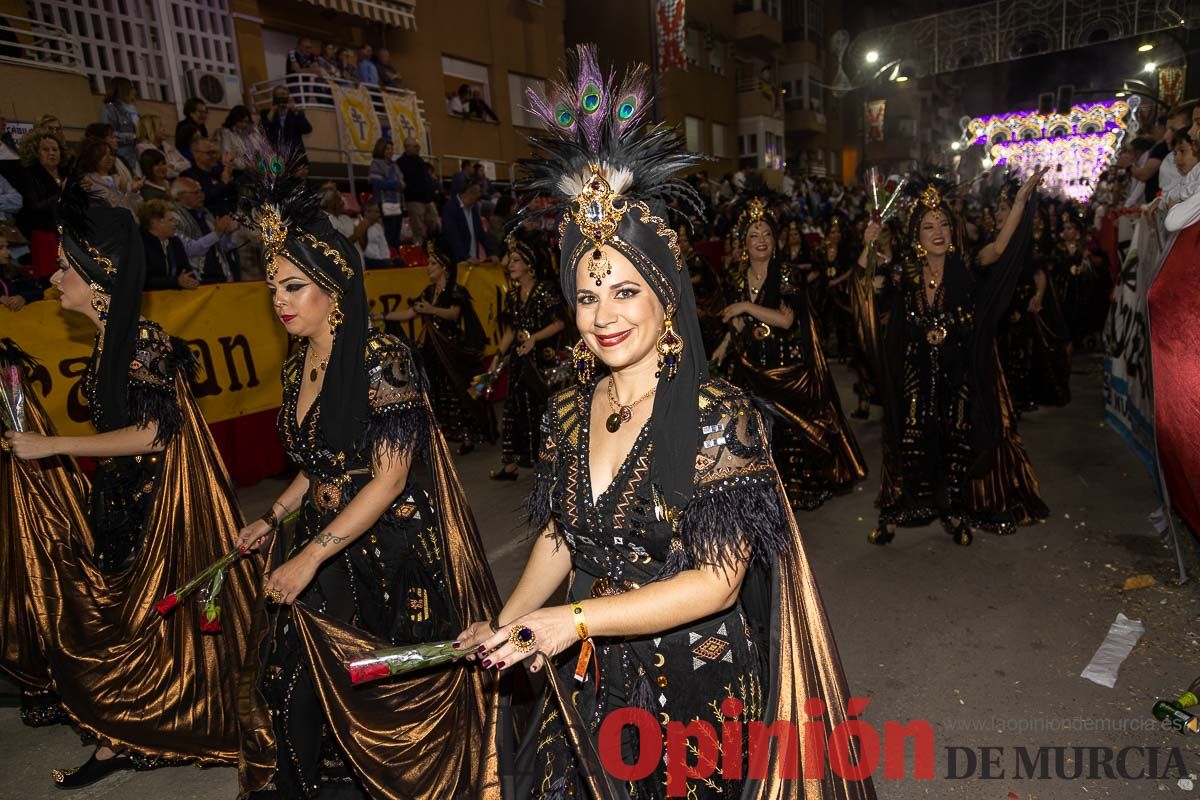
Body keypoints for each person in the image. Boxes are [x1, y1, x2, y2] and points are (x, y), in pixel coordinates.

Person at [454, 45, 878, 800]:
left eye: (624, 290)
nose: (604, 316)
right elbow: (560, 535)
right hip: (590, 683)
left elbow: (716, 584)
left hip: (694, 695)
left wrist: (570, 619)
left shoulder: (720, 415)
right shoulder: (566, 404)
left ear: (664, 294)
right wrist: (508, 620)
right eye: (586, 297)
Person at [233, 155, 502, 798]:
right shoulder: (297, 366)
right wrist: (273, 518)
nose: (280, 301)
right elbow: (318, 464)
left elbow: (385, 479)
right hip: (329, 537)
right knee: (295, 678)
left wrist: (309, 557)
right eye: (273, 288)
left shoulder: (384, 359)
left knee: (386, 691)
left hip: (389, 549)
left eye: (294, 286)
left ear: (332, 285)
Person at [1, 185, 258, 787]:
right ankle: (127, 733)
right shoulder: (108, 341)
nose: (53, 276)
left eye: (64, 266)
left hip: (155, 508)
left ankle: (144, 728)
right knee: (134, 627)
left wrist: (53, 445)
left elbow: (154, 435)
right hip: (124, 502)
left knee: (143, 624)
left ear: (97, 278)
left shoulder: (142, 342)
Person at [869, 170, 1050, 547]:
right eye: (928, 226)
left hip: (959, 371)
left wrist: (1019, 203)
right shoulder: (906, 273)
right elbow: (872, 287)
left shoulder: (966, 267)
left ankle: (953, 508)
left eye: (944, 225)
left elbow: (999, 249)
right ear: (916, 237)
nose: (938, 232)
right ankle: (900, 508)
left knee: (956, 437)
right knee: (913, 434)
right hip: (916, 372)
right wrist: (869, 248)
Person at [712, 197, 866, 509]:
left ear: (775, 239)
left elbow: (785, 319)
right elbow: (737, 323)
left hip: (786, 364)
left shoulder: (787, 273)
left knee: (792, 431)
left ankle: (793, 494)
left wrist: (746, 307)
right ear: (744, 242)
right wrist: (725, 344)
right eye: (754, 235)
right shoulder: (736, 276)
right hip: (751, 363)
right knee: (755, 432)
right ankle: (764, 493)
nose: (761, 241)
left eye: (766, 234)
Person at [378, 238, 492, 454]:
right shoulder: (429, 292)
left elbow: (454, 313)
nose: (428, 267)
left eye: (432, 263)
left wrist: (430, 310)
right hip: (432, 350)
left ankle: (467, 436)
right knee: (436, 390)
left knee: (457, 389)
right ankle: (443, 434)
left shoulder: (455, 291)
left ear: (444, 267)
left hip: (451, 349)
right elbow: (410, 313)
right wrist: (382, 316)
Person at [488, 230, 564, 480]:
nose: (510, 265)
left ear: (530, 265)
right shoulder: (512, 296)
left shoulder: (545, 291)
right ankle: (511, 465)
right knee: (514, 409)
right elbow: (511, 328)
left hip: (541, 360)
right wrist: (498, 355)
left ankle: (549, 460)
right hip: (520, 360)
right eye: (511, 261)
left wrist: (534, 338)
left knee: (541, 408)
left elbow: (559, 323)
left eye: (516, 260)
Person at [13, 129, 63, 280]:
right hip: (44, 235)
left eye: (55, 149)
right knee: (51, 279)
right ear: (36, 153)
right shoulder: (30, 175)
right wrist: (61, 194)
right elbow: (34, 207)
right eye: (45, 149)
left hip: (67, 234)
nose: (51, 153)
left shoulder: (66, 173)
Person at [170, 177, 240, 282]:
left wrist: (228, 233)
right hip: (197, 279)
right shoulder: (174, 218)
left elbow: (223, 247)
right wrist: (217, 233)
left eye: (201, 191)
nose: (201, 195)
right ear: (180, 196)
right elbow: (189, 250)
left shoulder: (206, 213)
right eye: (195, 192)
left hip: (221, 276)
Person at [138, 198, 197, 290]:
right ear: (155, 222)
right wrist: (175, 282)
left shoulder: (175, 243)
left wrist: (189, 281)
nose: (175, 224)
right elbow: (142, 281)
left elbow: (187, 272)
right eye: (171, 220)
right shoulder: (140, 244)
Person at [79, 138, 142, 215]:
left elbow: (135, 209)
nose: (109, 158)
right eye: (103, 154)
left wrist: (133, 192)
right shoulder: (88, 181)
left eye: (110, 154)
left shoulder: (119, 179)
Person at [441, 181, 493, 263]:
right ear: (469, 193)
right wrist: (464, 257)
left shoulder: (473, 209)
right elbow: (452, 236)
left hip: (473, 260)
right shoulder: (450, 208)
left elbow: (480, 233)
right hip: (457, 261)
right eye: (477, 193)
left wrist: (490, 253)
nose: (479, 196)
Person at [181, 138, 236, 215]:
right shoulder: (189, 176)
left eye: (215, 152)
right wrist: (224, 182)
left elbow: (231, 193)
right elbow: (206, 198)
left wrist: (229, 175)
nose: (214, 156)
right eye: (209, 153)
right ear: (196, 154)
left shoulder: (218, 170)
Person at [398, 137, 437, 243]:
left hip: (427, 199)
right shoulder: (401, 163)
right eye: (415, 146)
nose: (418, 149)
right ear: (407, 148)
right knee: (418, 229)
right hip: (414, 200)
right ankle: (420, 250)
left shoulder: (419, 160)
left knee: (435, 224)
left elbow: (425, 178)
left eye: (418, 146)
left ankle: (433, 245)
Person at [367, 138, 404, 248]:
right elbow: (378, 183)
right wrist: (394, 183)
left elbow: (402, 184)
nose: (390, 151)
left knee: (397, 232)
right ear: (381, 149)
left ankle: (396, 254)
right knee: (388, 232)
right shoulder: (376, 164)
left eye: (392, 149)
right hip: (383, 203)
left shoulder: (395, 165)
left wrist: (392, 182)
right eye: (387, 149)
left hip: (397, 203)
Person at [99, 77, 139, 171]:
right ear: (124, 89)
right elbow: (109, 134)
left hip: (134, 156)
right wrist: (133, 136)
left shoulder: (132, 110)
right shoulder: (109, 108)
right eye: (131, 88)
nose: (134, 91)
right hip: (121, 156)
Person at [260, 85, 313, 157]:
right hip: (275, 156)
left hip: (295, 156)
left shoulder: (295, 113)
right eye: (280, 95)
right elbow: (263, 132)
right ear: (274, 97)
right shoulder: (266, 113)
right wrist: (272, 111)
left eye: (285, 94)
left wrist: (295, 111)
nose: (283, 97)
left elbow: (307, 130)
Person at [136, 113, 191, 178]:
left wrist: (173, 165)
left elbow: (188, 164)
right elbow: (163, 173)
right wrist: (178, 166)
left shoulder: (167, 146)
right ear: (151, 129)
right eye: (160, 126)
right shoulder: (143, 148)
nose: (164, 129)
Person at [217, 105, 255, 171]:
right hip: (234, 171)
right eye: (241, 121)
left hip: (247, 169)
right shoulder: (226, 133)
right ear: (233, 119)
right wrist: (246, 165)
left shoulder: (243, 133)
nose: (244, 125)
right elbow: (227, 156)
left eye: (246, 122)